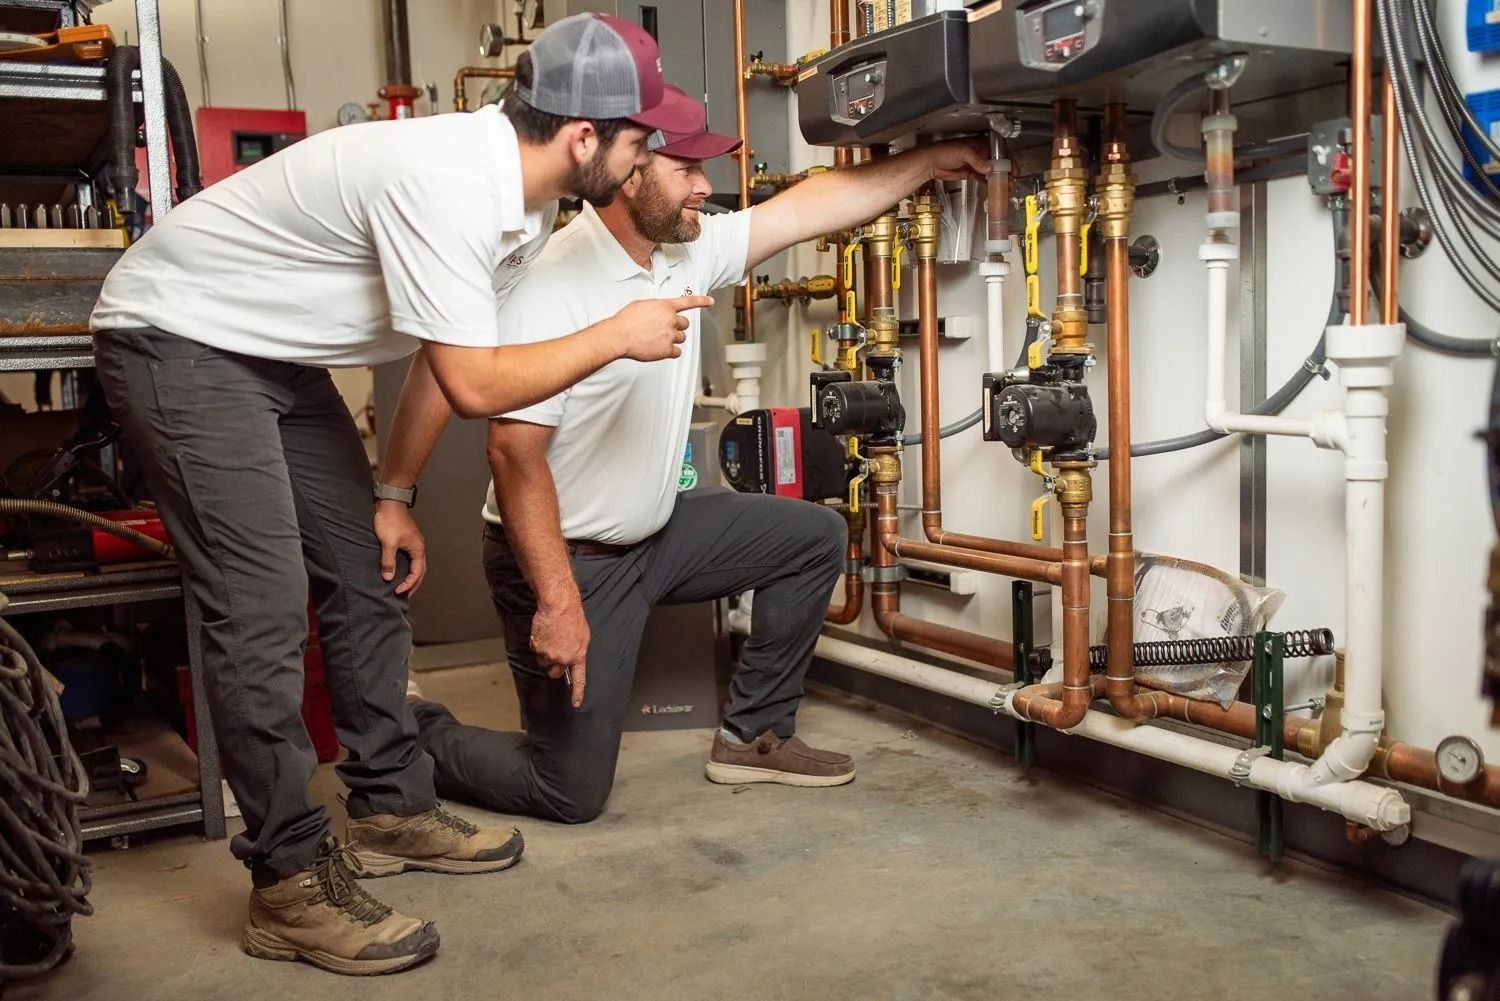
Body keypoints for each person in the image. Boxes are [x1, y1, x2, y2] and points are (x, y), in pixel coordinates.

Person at [89, 14, 706, 977]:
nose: (647, 159)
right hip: (178, 338)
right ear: (585, 137)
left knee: (365, 566)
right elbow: (477, 384)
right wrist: (615, 335)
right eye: (640, 139)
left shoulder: (525, 205)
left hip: (273, 354)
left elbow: (440, 354)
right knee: (260, 606)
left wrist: (392, 491)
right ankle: (288, 881)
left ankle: (389, 804)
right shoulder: (451, 182)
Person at [383, 94, 987, 823]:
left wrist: (929, 161)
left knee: (812, 538)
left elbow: (808, 208)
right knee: (567, 790)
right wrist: (558, 601)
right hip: (564, 559)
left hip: (654, 537)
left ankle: (753, 734)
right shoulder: (551, 282)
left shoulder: (684, 247)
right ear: (630, 173)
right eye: (686, 169)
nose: (705, 186)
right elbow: (513, 454)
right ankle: (406, 726)